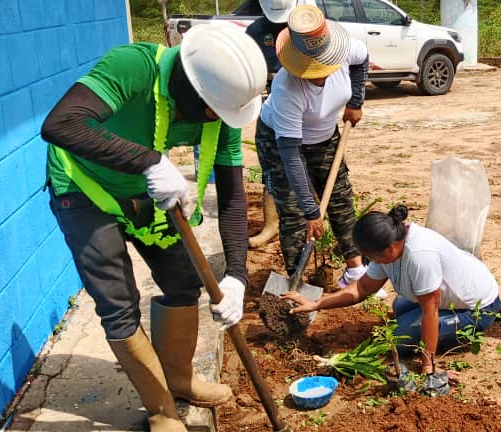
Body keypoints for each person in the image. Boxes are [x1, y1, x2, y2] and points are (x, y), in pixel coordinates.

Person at [40, 24, 267, 431]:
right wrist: (148, 161)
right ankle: (162, 411)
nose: (216, 117)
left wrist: (236, 275)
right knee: (119, 302)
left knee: (183, 280)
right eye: (211, 108)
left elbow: (233, 196)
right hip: (84, 187)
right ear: (189, 85)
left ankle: (179, 380)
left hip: (144, 189)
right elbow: (61, 123)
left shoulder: (223, 109)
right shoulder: (134, 66)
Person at [285, 206, 501, 378]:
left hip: (477, 310)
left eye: (372, 257)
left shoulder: (419, 255)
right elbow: (363, 288)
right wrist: (316, 304)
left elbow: (431, 311)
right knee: (399, 307)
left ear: (389, 249)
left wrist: (429, 366)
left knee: (398, 339)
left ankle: (466, 332)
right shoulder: (390, 243)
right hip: (447, 296)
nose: (372, 262)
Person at [256, 4, 370, 287]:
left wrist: (355, 101)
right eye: (311, 70)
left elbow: (362, 60)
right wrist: (311, 210)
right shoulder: (286, 89)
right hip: (280, 142)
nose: (319, 76)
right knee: (294, 212)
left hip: (325, 135)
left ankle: (355, 270)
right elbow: (291, 155)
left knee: (341, 198)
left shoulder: (343, 50)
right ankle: (297, 281)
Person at [246, 0, 295, 248]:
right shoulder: (256, 31)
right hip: (271, 105)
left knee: (315, 165)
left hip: (301, 100)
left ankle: (318, 218)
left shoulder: (304, 25)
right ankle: (271, 225)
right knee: (272, 169)